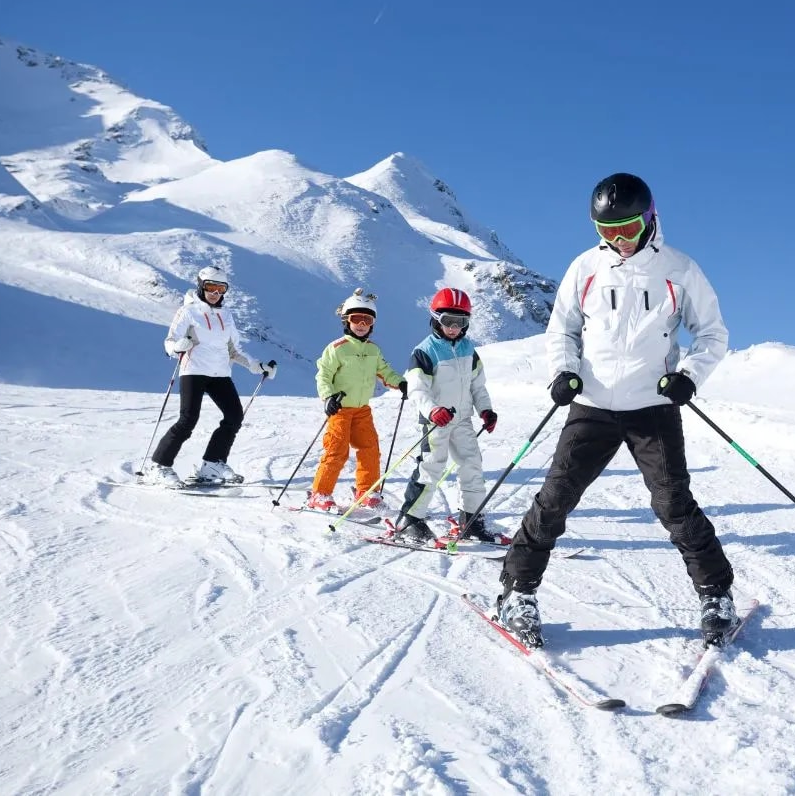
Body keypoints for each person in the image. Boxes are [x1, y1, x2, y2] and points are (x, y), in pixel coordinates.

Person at [495, 173, 736, 647]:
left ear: (648, 219)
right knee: (555, 499)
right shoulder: (585, 268)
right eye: (607, 232)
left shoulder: (680, 270)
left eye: (626, 229)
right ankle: (516, 591)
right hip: (592, 404)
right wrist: (564, 371)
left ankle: (716, 592)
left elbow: (712, 334)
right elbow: (561, 328)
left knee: (673, 504)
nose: (619, 241)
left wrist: (688, 376)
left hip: (652, 406)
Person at [143, 265, 277, 487]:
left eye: (221, 288)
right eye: (210, 287)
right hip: (194, 371)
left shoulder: (226, 315)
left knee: (234, 417)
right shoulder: (188, 312)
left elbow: (234, 350)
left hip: (220, 373)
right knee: (188, 420)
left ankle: (213, 463)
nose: (215, 293)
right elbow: (169, 342)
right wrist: (178, 346)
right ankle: (159, 466)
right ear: (201, 286)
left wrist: (257, 366)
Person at [394, 287, 501, 544]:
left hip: (463, 419)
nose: (453, 328)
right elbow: (418, 388)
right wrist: (433, 410)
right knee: (431, 467)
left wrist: (485, 410)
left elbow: (477, 385)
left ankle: (471, 520)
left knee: (472, 465)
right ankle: (410, 519)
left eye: (460, 322)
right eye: (448, 321)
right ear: (435, 319)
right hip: (437, 422)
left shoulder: (468, 349)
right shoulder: (424, 351)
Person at [307, 288, 407, 511]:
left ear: (372, 324)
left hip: (362, 410)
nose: (361, 324)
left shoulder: (373, 350)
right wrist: (328, 397)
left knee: (370, 449)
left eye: (367, 319)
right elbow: (323, 375)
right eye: (356, 319)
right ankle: (320, 494)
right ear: (346, 320)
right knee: (337, 451)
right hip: (340, 409)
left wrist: (400, 382)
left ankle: (366, 491)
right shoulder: (337, 349)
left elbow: (384, 371)